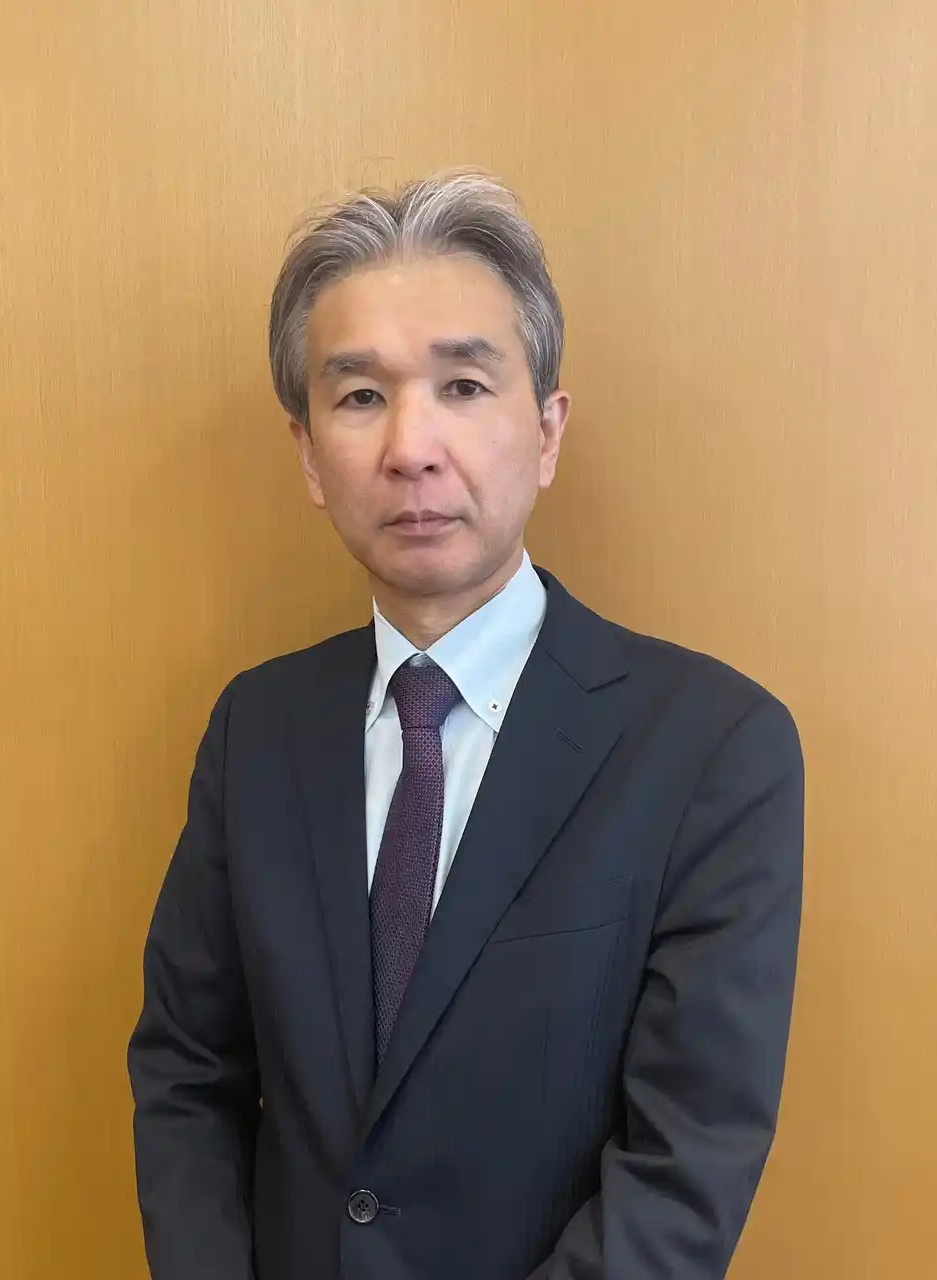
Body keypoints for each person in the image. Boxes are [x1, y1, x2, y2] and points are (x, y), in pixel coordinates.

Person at [128, 171, 805, 1280]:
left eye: (463, 384)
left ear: (545, 431)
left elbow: (685, 1163)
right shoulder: (257, 728)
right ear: (308, 453)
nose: (411, 446)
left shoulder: (713, 748)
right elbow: (187, 1069)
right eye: (359, 396)